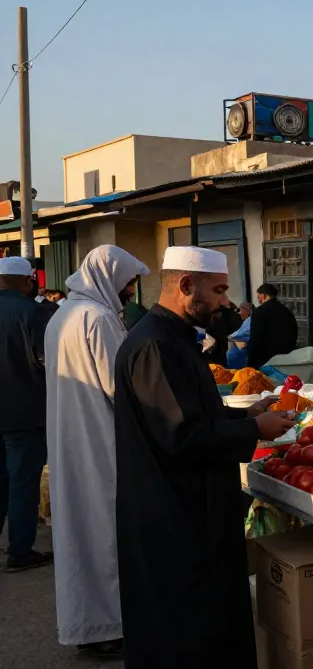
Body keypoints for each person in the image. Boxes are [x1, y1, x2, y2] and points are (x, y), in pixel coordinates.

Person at [113, 246, 294, 668]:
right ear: (185, 285)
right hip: (174, 520)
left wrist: (245, 413)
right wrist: (253, 430)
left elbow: (191, 412)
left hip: (186, 510)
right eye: (219, 290)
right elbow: (183, 435)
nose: (226, 302)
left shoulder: (172, 339)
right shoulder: (156, 347)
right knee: (187, 635)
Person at [44, 246, 149, 660]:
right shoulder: (98, 319)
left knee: (78, 536)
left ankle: (85, 626)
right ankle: (110, 627)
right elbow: (119, 385)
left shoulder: (62, 316)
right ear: (108, 277)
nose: (128, 292)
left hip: (70, 440)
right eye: (126, 283)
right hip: (99, 443)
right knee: (105, 533)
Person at [0, 256, 53, 572]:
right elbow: (47, 360)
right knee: (22, 482)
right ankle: (19, 551)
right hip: (24, 414)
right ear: (28, 281)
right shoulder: (33, 312)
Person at [246, 282, 298, 369]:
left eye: (258, 296)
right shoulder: (286, 311)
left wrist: (250, 364)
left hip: (266, 361)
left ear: (263, 296)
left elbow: (255, 338)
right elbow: (294, 333)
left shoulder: (259, 312)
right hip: (286, 359)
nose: (258, 298)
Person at [202, 295, 243, 366]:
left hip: (217, 355)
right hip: (228, 354)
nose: (228, 299)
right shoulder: (230, 313)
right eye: (226, 298)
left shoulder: (213, 315)